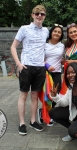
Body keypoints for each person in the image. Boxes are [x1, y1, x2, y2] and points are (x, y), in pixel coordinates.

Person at [10, 5, 49, 135]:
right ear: (32, 15)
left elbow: (48, 47)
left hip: (40, 68)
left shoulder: (46, 31)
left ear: (44, 16)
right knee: (23, 95)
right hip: (26, 66)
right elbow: (13, 47)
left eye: (42, 14)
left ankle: (33, 121)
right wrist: (18, 64)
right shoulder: (24, 29)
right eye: (37, 13)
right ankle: (22, 122)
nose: (39, 16)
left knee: (35, 96)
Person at [37, 24, 65, 126]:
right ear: (51, 32)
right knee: (46, 94)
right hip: (45, 72)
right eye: (55, 31)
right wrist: (47, 65)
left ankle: (51, 114)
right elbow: (39, 58)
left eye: (59, 32)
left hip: (57, 72)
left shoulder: (62, 45)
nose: (57, 33)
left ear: (61, 35)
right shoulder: (44, 44)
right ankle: (42, 112)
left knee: (55, 93)